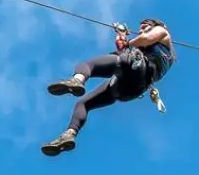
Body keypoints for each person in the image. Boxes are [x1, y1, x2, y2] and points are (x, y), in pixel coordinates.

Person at [41, 18, 175, 157]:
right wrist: (122, 35)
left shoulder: (162, 32)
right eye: (140, 28)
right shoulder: (151, 49)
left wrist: (128, 41)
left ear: (159, 26)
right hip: (130, 88)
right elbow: (126, 47)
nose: (141, 30)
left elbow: (145, 39)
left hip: (137, 67)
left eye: (145, 26)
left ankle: (77, 80)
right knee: (83, 104)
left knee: (89, 65)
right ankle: (69, 134)